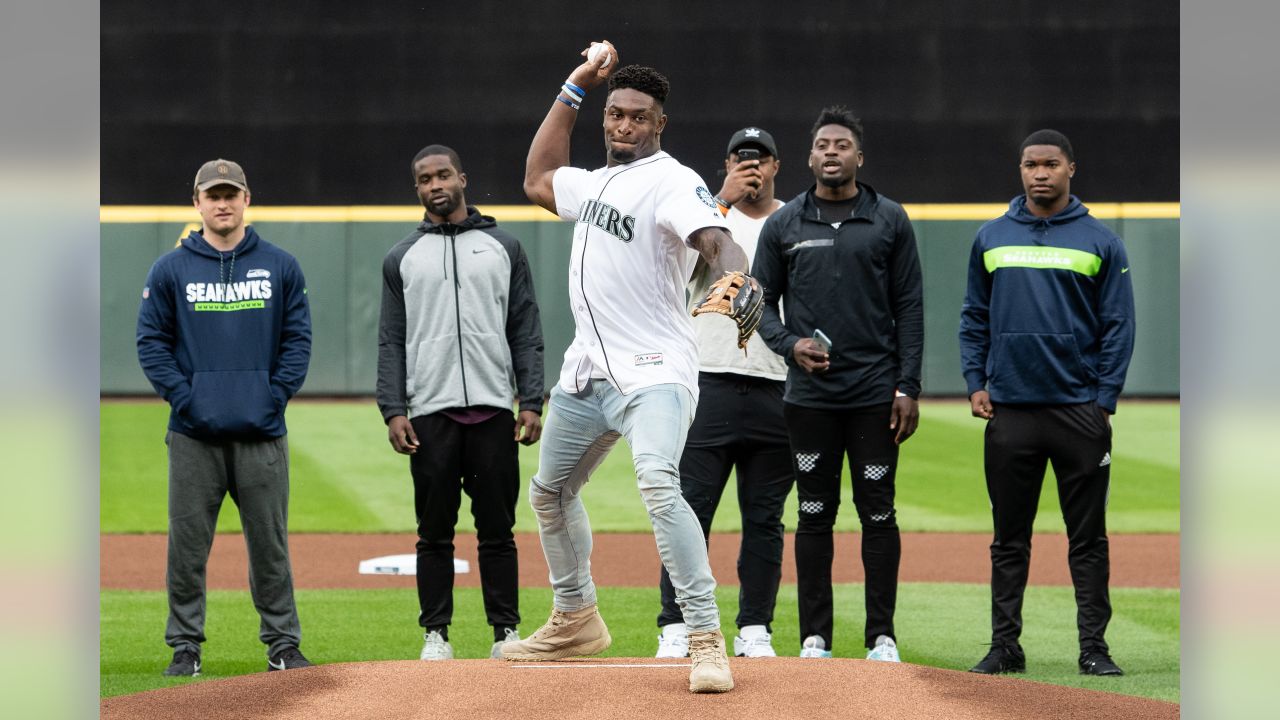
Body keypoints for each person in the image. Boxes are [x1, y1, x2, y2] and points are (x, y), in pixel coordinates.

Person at [497, 41, 751, 694]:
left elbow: (713, 240)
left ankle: (703, 638)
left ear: (659, 123)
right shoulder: (594, 183)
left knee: (659, 482)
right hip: (588, 374)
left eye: (639, 116)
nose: (624, 125)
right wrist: (576, 83)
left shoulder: (672, 180)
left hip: (656, 371)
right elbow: (537, 178)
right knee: (550, 493)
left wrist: (735, 278)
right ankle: (576, 615)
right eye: (616, 114)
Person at [959, 129, 1134, 677]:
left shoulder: (1102, 241)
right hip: (1010, 410)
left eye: (1051, 164)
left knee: (1088, 539)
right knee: (1009, 539)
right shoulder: (990, 237)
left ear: (1070, 170)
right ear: (1020, 169)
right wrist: (975, 381)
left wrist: (1103, 399)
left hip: (1078, 411)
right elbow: (973, 318)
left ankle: (1094, 648)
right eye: (1031, 164)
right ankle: (1005, 647)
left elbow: (1119, 325)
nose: (1040, 173)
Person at [753, 106, 924, 662]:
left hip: (875, 396)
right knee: (812, 514)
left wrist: (909, 387)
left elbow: (911, 309)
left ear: (858, 157)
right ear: (809, 157)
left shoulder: (889, 219)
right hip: (809, 401)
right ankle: (815, 638)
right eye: (822, 144)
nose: (831, 152)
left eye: (841, 145)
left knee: (878, 513)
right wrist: (790, 346)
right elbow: (757, 302)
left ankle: (882, 637)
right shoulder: (785, 224)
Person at [136, 159, 313, 676]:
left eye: (230, 193)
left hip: (261, 432)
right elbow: (151, 343)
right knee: (187, 550)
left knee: (270, 548)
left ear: (246, 199)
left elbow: (297, 340)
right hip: (194, 434)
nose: (222, 202)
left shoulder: (280, 265)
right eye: (212, 194)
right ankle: (185, 647)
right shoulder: (170, 269)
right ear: (197, 202)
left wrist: (272, 397)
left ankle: (282, 644)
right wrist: (185, 399)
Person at [376, 145, 545, 661]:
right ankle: (436, 634)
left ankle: (505, 632)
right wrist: (393, 408)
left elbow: (525, 327)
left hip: (494, 409)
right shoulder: (401, 257)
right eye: (424, 179)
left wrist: (532, 398)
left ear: (462, 178)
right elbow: (391, 338)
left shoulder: (504, 246)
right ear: (418, 189)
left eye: (442, 174)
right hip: (430, 412)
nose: (435, 185)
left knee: (498, 529)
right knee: (434, 533)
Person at [654, 126, 791, 660]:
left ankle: (755, 626)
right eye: (739, 157)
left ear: (777, 165)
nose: (750, 165)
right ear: (725, 164)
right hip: (706, 376)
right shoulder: (703, 216)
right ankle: (676, 624)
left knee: (764, 517)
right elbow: (673, 272)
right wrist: (723, 201)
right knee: (689, 509)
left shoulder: (793, 220)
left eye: (759, 158)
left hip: (774, 381)